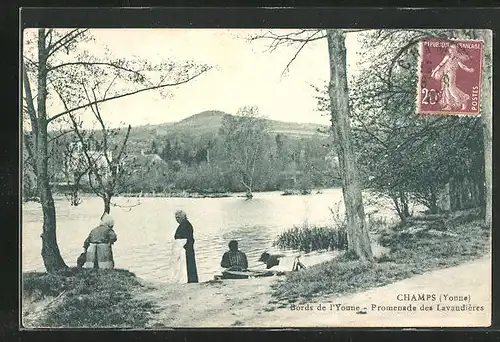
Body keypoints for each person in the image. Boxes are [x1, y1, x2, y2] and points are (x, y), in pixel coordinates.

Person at [430, 43, 475, 111]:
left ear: (455, 50)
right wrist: (434, 72)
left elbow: (462, 66)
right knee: (446, 89)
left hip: (451, 74)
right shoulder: (447, 57)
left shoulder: (457, 58)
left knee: (451, 88)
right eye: (450, 48)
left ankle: (462, 101)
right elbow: (440, 64)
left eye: (452, 49)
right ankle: (449, 105)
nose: (450, 50)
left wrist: (469, 70)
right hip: (445, 74)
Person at [172, 210, 199, 283]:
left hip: (186, 247)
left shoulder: (185, 224)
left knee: (188, 264)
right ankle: (192, 280)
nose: (177, 219)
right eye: (176, 218)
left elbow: (181, 236)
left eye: (178, 217)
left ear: (183, 217)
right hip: (187, 247)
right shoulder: (185, 224)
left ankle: (191, 281)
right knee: (189, 264)